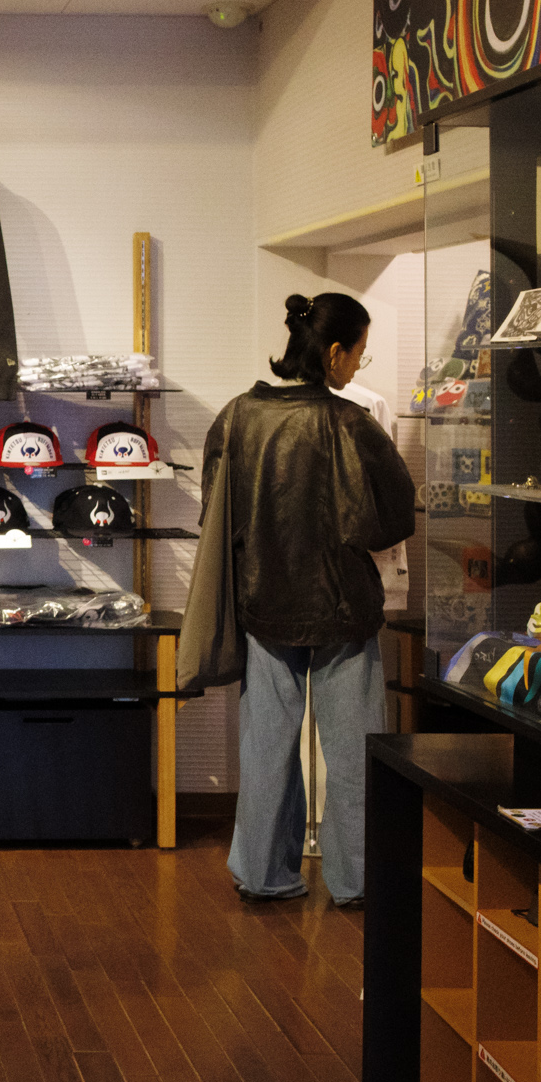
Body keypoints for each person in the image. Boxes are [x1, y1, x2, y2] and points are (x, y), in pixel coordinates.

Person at [196, 292, 416, 907]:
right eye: (359, 354)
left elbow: (216, 511)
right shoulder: (353, 424)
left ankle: (263, 873)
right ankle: (357, 881)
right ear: (334, 352)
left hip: (264, 603)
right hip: (345, 608)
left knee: (265, 746)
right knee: (353, 753)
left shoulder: (237, 417)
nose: (357, 366)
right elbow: (396, 514)